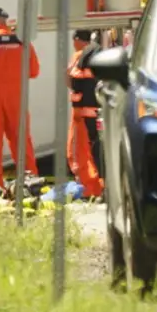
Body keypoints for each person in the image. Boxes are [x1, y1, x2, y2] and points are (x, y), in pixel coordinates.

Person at [0, 6, 41, 196]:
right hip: (16, 99)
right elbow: (34, 71)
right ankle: (31, 182)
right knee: (21, 141)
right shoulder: (22, 41)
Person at [67, 30, 105, 200]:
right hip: (99, 110)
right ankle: (100, 187)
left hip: (82, 113)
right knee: (99, 150)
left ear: (77, 40)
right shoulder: (100, 55)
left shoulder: (80, 56)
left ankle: (90, 188)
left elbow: (71, 79)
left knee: (83, 151)